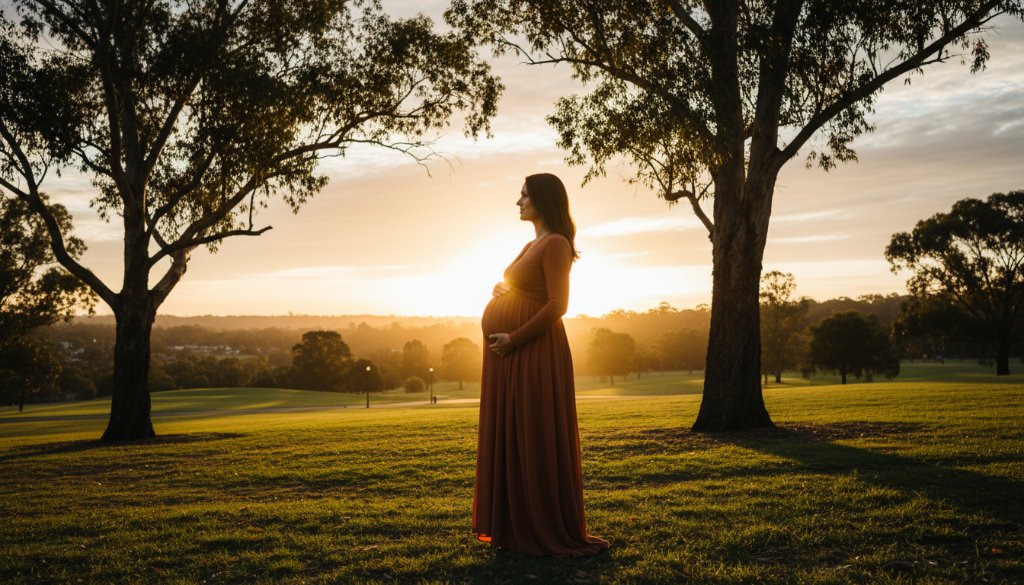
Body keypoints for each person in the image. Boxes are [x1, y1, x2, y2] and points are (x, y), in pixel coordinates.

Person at [474, 173, 609, 557]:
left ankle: (540, 525)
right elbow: (517, 286)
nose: (518, 202)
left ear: (543, 201)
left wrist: (514, 338)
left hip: (532, 352)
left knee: (532, 431)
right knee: (514, 433)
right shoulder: (530, 244)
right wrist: (501, 291)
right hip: (511, 355)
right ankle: (514, 526)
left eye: (524, 195)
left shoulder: (556, 244)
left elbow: (557, 304)